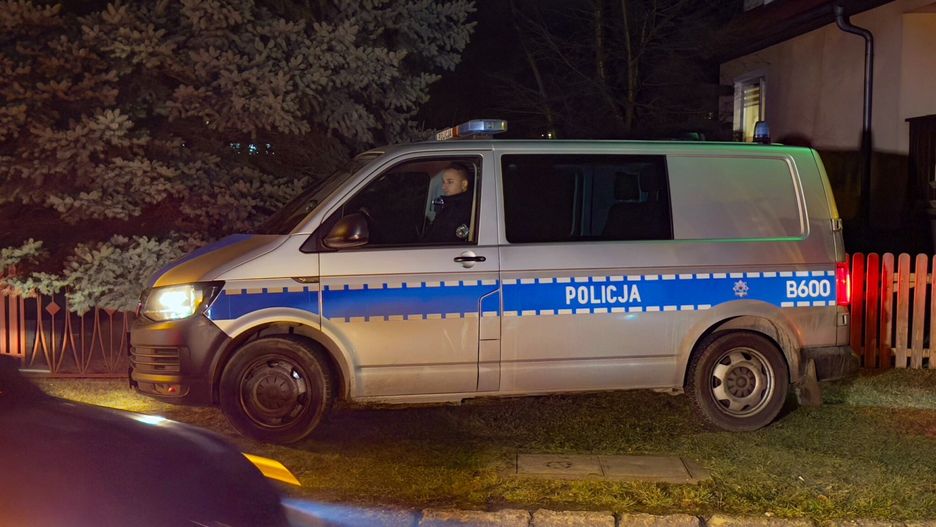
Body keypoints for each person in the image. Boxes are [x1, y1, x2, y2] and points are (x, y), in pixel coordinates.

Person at [422, 163, 473, 243]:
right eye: (443, 182)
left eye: (450, 182)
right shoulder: (450, 205)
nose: (443, 187)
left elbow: (443, 240)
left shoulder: (461, 209)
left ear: (464, 184)